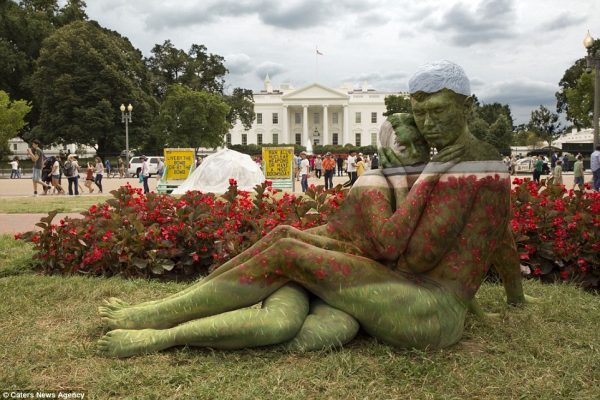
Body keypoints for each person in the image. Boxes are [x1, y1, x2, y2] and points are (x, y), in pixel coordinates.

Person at [98, 60, 528, 358]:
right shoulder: (478, 159)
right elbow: (499, 238)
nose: (428, 126)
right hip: (416, 295)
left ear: (465, 105)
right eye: (420, 113)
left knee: (288, 253)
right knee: (288, 243)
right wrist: (515, 299)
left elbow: (413, 256)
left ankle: (157, 320)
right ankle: (183, 304)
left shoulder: (458, 168)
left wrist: (411, 182)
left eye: (437, 112)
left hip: (424, 311)